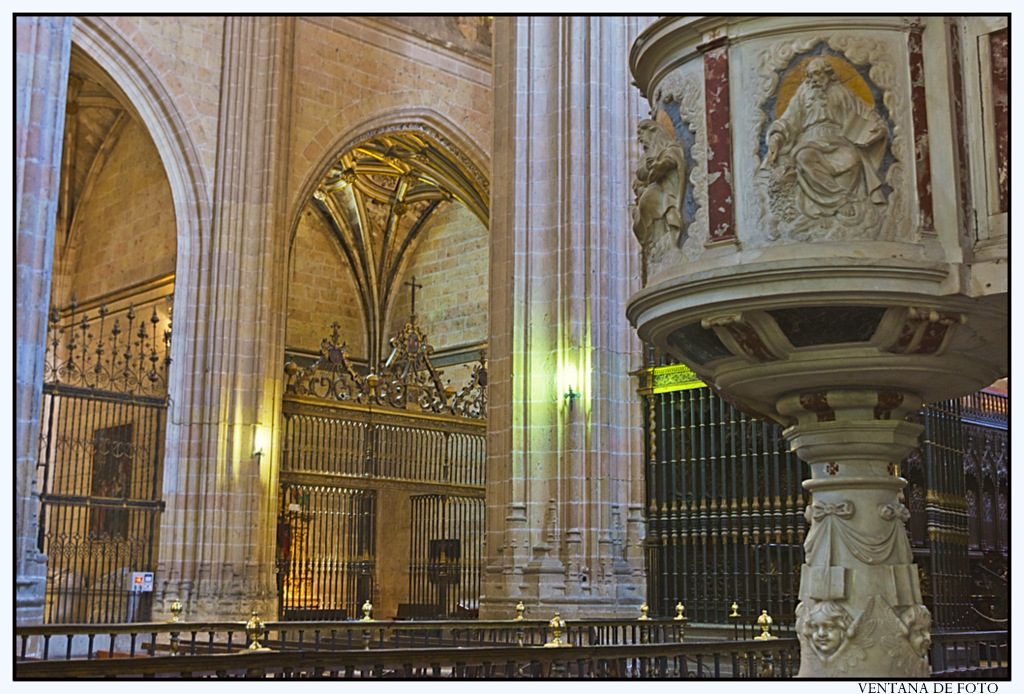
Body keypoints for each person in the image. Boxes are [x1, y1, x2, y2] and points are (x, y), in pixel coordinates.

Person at [763, 57, 887, 221]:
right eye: (810, 75)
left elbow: (865, 112)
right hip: (810, 142)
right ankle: (840, 200)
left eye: (817, 74)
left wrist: (877, 125)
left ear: (827, 74)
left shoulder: (842, 92)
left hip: (838, 140)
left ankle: (842, 198)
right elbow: (788, 120)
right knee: (804, 158)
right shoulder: (803, 95)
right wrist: (776, 138)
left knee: (853, 159)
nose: (813, 79)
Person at [632, 119, 688, 250]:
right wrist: (648, 167)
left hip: (669, 191)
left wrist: (660, 164)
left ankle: (665, 238)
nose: (641, 140)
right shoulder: (646, 156)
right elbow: (640, 174)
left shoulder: (669, 147)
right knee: (639, 213)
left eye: (642, 135)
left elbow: (672, 157)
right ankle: (655, 241)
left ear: (653, 131)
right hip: (655, 191)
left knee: (648, 199)